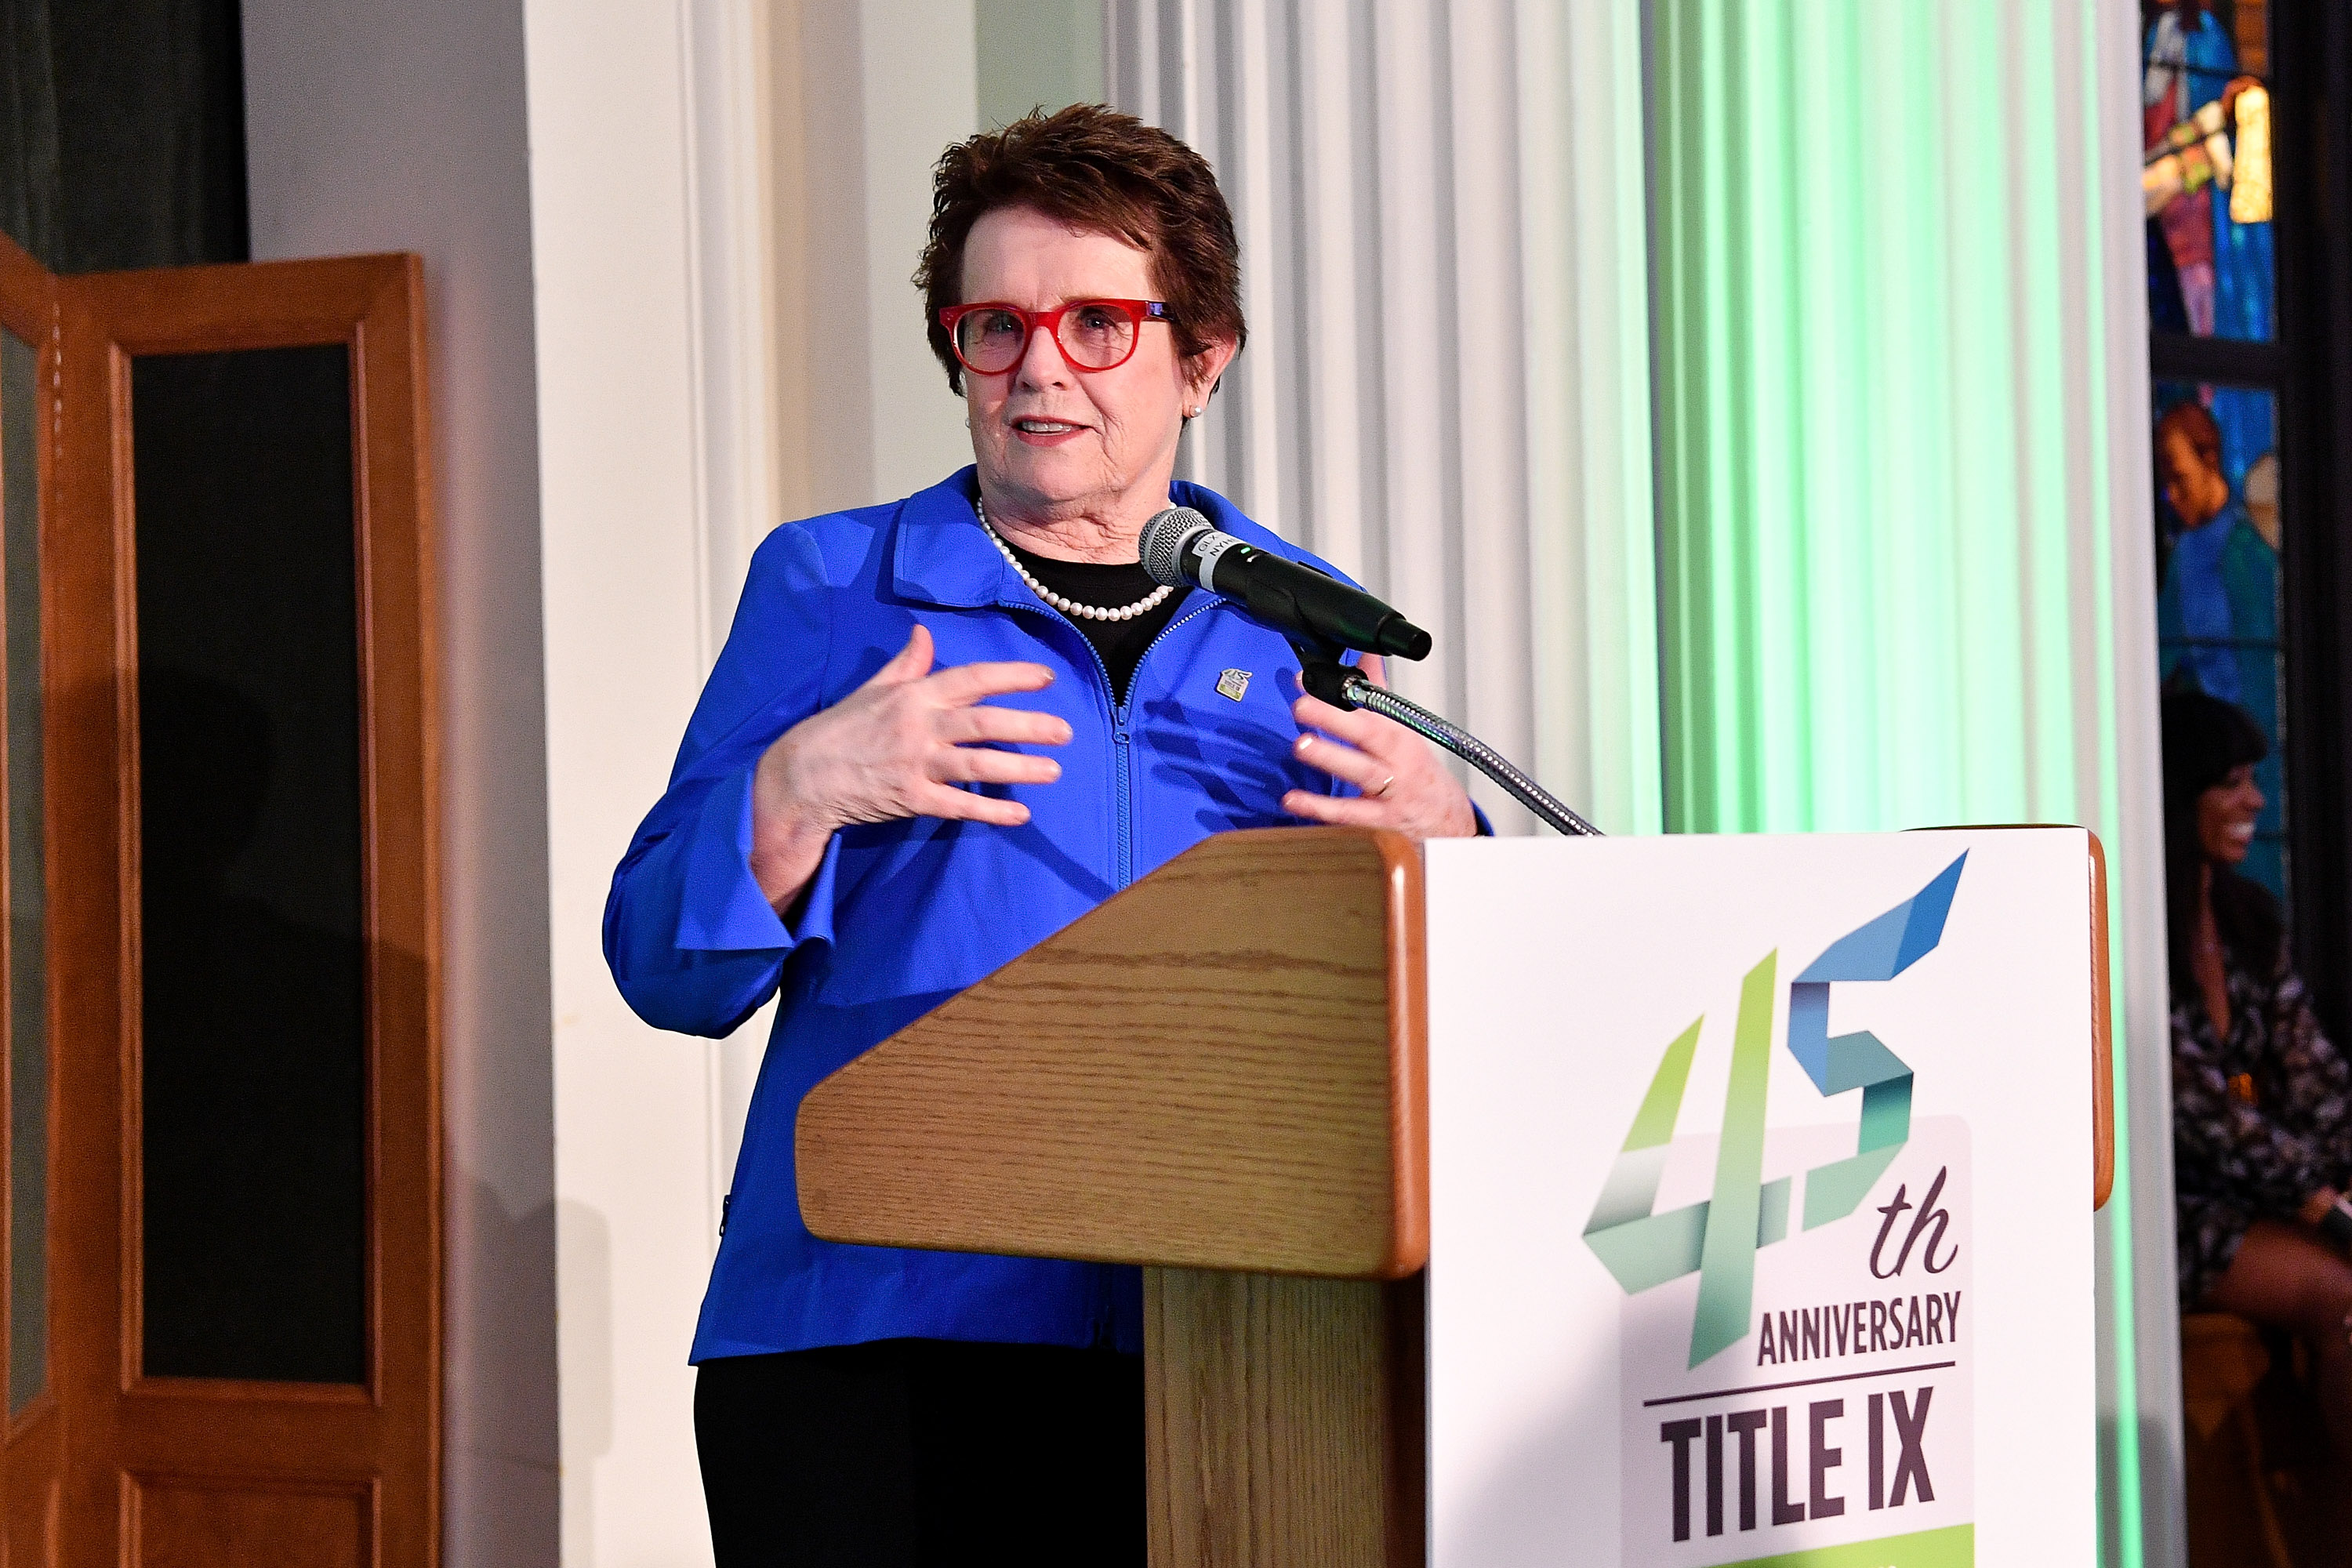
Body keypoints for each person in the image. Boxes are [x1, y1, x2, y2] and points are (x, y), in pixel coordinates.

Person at [603, 104, 1479, 1566]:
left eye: (1096, 323)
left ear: (1203, 355)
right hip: (873, 1342)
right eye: (995, 326)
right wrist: (797, 789)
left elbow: (1405, 1001)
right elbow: (662, 967)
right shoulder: (833, 585)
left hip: (1236, 1336)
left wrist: (1449, 844)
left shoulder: (1304, 623)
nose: (1037, 370)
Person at [2164, 690, 2352, 1502]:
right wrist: (2318, 1199)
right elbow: (2192, 1111)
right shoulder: (2133, 926)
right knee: (2341, 1292)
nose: (2256, 801)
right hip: (2169, 1211)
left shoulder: (2248, 917)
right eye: (2231, 782)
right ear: (2179, 797)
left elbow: (2311, 1067)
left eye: (2255, 779)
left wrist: (2342, 1174)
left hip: (2268, 1192)